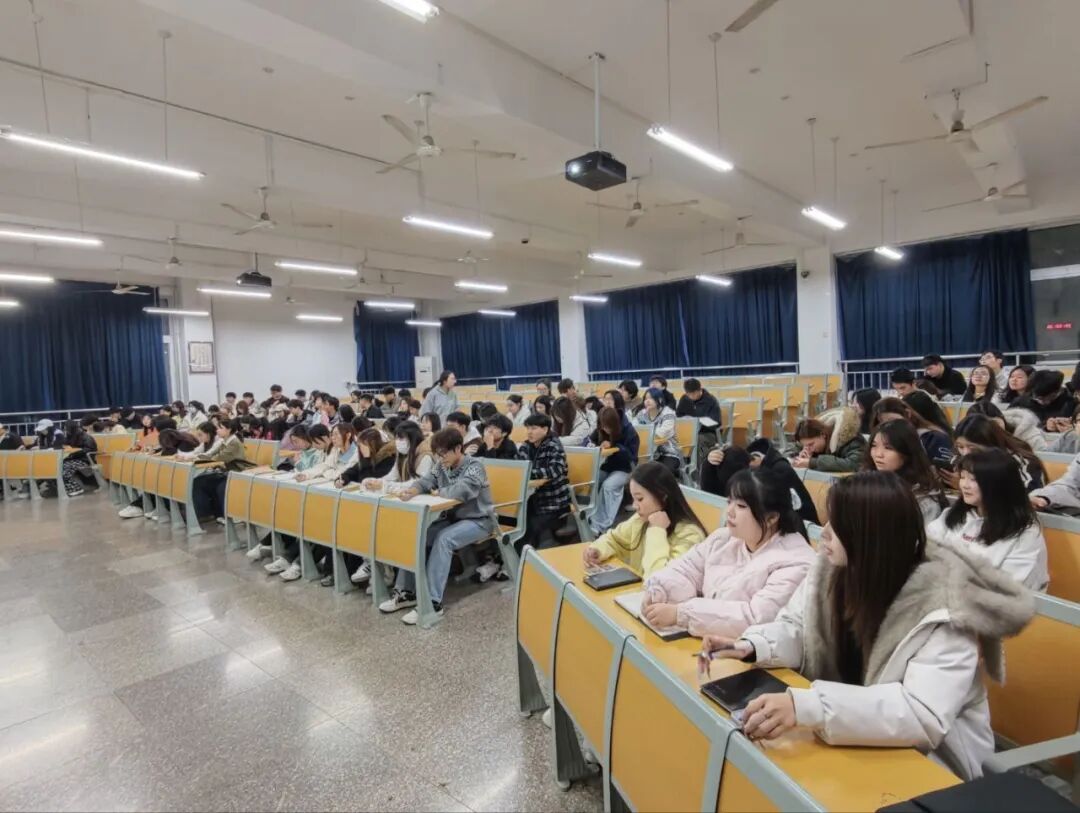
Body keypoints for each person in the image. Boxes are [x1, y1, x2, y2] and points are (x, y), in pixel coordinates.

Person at [700, 471, 1034, 781]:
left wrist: (810, 706)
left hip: (932, 765)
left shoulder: (946, 610)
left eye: (837, 524)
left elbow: (921, 714)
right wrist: (753, 644)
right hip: (851, 737)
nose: (824, 532)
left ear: (870, 535)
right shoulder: (832, 572)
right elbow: (799, 628)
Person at [641, 468, 814, 637]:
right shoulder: (724, 539)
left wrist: (681, 614)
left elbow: (755, 619)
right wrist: (659, 591)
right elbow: (687, 569)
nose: (729, 511)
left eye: (741, 506)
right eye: (729, 502)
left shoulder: (796, 563)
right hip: (710, 642)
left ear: (771, 518)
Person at [379, 428, 499, 623]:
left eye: (443, 453)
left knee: (444, 539)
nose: (440, 458)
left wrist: (438, 492)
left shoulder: (475, 466)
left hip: (480, 521)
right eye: (437, 454)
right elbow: (425, 481)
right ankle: (406, 592)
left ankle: (432, 603)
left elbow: (462, 491)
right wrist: (413, 491)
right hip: (453, 520)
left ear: (458, 448)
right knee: (417, 535)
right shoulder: (442, 465)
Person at [928, 449, 1048, 590]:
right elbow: (925, 550)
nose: (964, 485)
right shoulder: (953, 515)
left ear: (998, 483)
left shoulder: (1026, 534)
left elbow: (1008, 589)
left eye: (973, 479)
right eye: (962, 477)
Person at [584, 461, 706, 579]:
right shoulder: (641, 520)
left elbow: (659, 580)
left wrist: (657, 530)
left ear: (663, 496)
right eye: (633, 499)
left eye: (640, 499)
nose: (634, 506)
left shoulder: (690, 535)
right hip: (639, 590)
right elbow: (614, 539)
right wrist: (597, 550)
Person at [260, 425, 332, 577]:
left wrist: (305, 471)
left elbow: (326, 469)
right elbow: (320, 468)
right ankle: (282, 554)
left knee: (315, 528)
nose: (295, 444)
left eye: (297, 441)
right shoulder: (323, 451)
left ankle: (295, 563)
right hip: (313, 491)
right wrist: (303, 472)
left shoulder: (325, 451)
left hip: (323, 496)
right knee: (289, 515)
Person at [700, 438, 820, 526]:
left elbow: (791, 519)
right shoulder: (740, 464)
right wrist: (709, 465)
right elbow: (713, 497)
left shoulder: (780, 472)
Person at [864, 420, 947, 523]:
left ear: (907, 452)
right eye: (874, 446)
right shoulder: (866, 484)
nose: (878, 454)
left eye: (888, 448)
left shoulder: (922, 499)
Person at [515, 413, 572, 553]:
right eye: (528, 428)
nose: (529, 432)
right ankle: (515, 556)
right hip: (532, 499)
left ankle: (527, 558)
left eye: (534, 428)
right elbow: (518, 466)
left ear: (545, 429)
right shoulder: (526, 445)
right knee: (515, 521)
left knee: (530, 527)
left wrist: (529, 472)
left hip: (554, 502)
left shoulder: (554, 445)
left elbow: (555, 470)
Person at [949, 414, 1046, 493]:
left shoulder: (1020, 461)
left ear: (989, 444)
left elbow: (1028, 495)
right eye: (960, 447)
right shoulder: (960, 457)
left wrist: (970, 487)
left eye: (973, 448)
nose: (966, 453)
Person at [587, 405, 640, 535]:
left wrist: (615, 446)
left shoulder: (629, 431)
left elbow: (632, 457)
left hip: (624, 468)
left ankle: (602, 524)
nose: (605, 429)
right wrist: (593, 446)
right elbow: (588, 441)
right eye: (602, 426)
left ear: (614, 424)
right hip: (606, 466)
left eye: (607, 427)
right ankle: (589, 517)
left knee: (608, 485)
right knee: (592, 480)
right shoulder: (601, 429)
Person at [191, 419, 251, 522]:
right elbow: (210, 454)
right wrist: (192, 457)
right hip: (226, 472)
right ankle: (205, 513)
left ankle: (230, 516)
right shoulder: (224, 441)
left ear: (229, 430)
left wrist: (202, 459)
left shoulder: (234, 443)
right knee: (199, 481)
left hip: (237, 473)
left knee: (220, 486)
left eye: (220, 428)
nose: (217, 430)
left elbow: (219, 458)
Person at [870, 397, 952, 468]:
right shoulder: (881, 439)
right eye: (882, 424)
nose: (889, 428)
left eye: (892, 421)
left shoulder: (933, 438)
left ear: (908, 414)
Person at [791, 408, 866, 473]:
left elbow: (853, 464)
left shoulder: (851, 439)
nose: (810, 449)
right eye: (805, 446)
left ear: (822, 435)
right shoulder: (810, 441)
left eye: (811, 444)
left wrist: (813, 462)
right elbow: (791, 452)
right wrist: (799, 457)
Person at [636, 387, 681, 475]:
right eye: (645, 398)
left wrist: (644, 433)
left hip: (669, 453)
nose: (647, 401)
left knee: (660, 473)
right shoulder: (642, 414)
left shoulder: (668, 413)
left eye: (651, 398)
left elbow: (661, 434)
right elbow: (634, 430)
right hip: (648, 453)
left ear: (660, 400)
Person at [676, 378, 722, 464]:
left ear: (699, 390)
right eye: (688, 394)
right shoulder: (684, 399)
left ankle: (700, 468)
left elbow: (717, 422)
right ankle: (682, 467)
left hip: (707, 433)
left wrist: (701, 422)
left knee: (696, 440)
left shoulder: (710, 400)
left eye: (693, 393)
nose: (691, 396)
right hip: (688, 432)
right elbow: (678, 416)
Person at [54, 419, 97, 497]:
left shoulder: (85, 437)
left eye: (66, 429)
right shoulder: (70, 436)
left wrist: (75, 451)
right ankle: (64, 488)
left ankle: (76, 488)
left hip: (84, 460)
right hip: (73, 458)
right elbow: (65, 446)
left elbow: (89, 449)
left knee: (65, 469)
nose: (66, 431)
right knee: (57, 467)